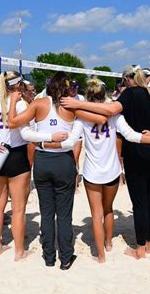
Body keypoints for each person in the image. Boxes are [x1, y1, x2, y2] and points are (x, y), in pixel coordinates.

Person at [43, 78, 150, 262]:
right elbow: (133, 136)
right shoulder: (115, 116)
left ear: (88, 97)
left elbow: (69, 142)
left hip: (92, 172)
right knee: (108, 210)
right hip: (112, 170)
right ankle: (108, 243)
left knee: (96, 216)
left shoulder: (81, 117)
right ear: (105, 96)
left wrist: (44, 143)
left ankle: (101, 256)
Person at [7, 71, 106, 270]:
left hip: (43, 160)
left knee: (46, 212)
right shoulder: (72, 106)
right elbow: (102, 119)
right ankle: (66, 257)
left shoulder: (39, 103)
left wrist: (12, 102)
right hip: (64, 161)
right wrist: (80, 105)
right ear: (68, 88)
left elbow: (12, 123)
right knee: (64, 214)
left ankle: (49, 256)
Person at [0, 71, 67, 260]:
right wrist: (50, 137)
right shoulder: (23, 103)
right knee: (18, 209)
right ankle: (19, 251)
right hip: (16, 156)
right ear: (18, 85)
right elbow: (26, 135)